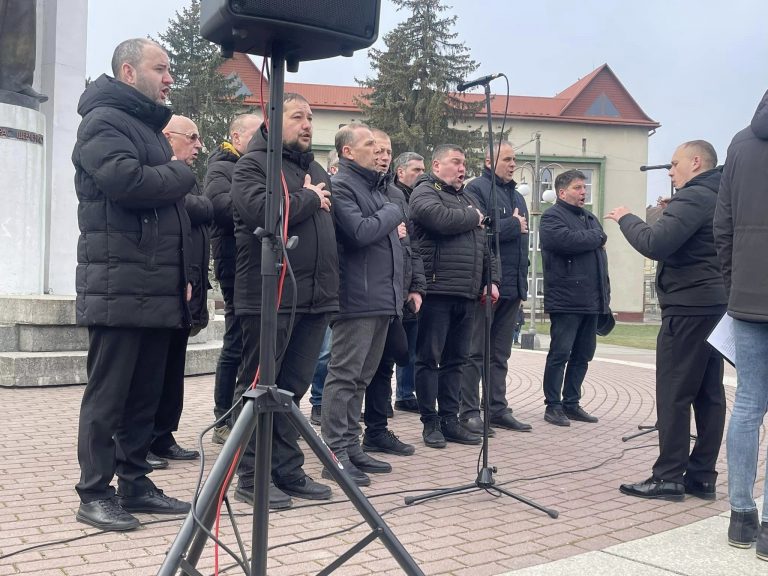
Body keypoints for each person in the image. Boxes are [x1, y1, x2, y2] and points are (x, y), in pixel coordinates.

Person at [73, 38, 193, 531]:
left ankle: (136, 484)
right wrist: (180, 172)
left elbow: (169, 213)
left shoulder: (146, 128)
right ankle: (94, 493)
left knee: (145, 395)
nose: (169, 78)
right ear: (128, 71)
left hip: (155, 285)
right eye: (160, 68)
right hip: (118, 285)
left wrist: (184, 279)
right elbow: (127, 183)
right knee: (109, 398)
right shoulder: (102, 121)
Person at [230, 93, 338, 510]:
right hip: (269, 297)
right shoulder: (253, 164)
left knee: (292, 390)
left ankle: (287, 468)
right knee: (259, 389)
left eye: (310, 116)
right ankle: (251, 477)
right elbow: (262, 212)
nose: (307, 124)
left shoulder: (315, 168)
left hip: (314, 298)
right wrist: (308, 198)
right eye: (298, 116)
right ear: (272, 120)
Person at [606, 140, 727, 501]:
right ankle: (702, 476)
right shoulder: (721, 195)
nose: (670, 172)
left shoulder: (694, 196)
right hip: (715, 305)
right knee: (709, 393)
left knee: (674, 392)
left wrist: (626, 217)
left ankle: (669, 477)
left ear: (696, 162)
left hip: (687, 306)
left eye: (674, 164)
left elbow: (655, 244)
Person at [320, 123, 405, 486]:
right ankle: (333, 453)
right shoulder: (342, 185)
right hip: (356, 297)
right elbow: (359, 232)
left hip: (381, 297)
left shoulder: (375, 189)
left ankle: (351, 446)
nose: (378, 150)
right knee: (344, 376)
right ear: (348, 152)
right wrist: (393, 212)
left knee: (361, 378)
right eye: (369, 144)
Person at [409, 144, 499, 448]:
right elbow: (437, 219)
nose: (462, 168)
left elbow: (485, 245)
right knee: (428, 359)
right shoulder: (424, 191)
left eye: (464, 163)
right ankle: (430, 422)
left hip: (467, 292)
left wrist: (491, 279)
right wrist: (473, 217)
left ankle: (450, 420)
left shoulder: (468, 198)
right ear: (436, 165)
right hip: (437, 290)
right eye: (455, 162)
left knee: (456, 360)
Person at [714, 91, 768, 557]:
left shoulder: (740, 142)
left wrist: (736, 284)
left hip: (748, 294)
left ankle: (741, 514)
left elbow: (723, 223)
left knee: (748, 403)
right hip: (747, 292)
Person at [146, 115, 214, 466]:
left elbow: (200, 210)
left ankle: (163, 436)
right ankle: (141, 440)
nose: (199, 145)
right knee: (152, 371)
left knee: (172, 369)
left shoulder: (185, 177)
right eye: (192, 137)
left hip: (186, 288)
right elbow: (199, 208)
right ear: (168, 137)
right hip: (162, 289)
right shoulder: (160, 174)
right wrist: (203, 207)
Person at [360, 129, 425, 458]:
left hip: (395, 292)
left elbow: (410, 244)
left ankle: (377, 431)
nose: (383, 156)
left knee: (386, 363)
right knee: (356, 370)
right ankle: (342, 440)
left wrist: (416, 286)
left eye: (388, 151)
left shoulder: (396, 194)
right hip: (363, 293)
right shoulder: (353, 188)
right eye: (377, 150)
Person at [460, 141, 532, 434]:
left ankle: (497, 408)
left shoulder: (517, 195)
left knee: (500, 354)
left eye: (515, 159)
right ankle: (468, 411)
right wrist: (513, 225)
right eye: (507, 159)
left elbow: (522, 241)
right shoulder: (476, 189)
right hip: (486, 285)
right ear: (489, 161)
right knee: (475, 352)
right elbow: (478, 229)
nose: (513, 164)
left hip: (512, 286)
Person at [204, 113, 263, 444]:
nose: (261, 141)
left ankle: (247, 414)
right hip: (235, 263)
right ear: (236, 138)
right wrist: (260, 203)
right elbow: (222, 208)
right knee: (236, 341)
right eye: (255, 135)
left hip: (255, 263)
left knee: (253, 343)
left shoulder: (257, 166)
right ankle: (223, 419)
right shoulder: (222, 167)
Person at [539, 169, 609, 427]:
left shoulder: (590, 218)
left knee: (583, 354)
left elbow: (598, 257)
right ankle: (553, 405)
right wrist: (597, 237)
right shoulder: (552, 216)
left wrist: (605, 296)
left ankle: (571, 403)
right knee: (560, 353)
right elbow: (565, 241)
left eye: (584, 188)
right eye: (578, 188)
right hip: (566, 299)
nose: (583, 192)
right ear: (562, 192)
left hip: (591, 300)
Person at [308, 151, 341, 427]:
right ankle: (318, 402)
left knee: (335, 352)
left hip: (338, 281)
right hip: (319, 281)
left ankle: (330, 405)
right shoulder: (326, 190)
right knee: (324, 352)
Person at [392, 151, 426, 413]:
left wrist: (416, 285)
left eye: (423, 170)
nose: (421, 174)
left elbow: (415, 246)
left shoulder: (421, 197)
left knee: (411, 344)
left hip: (414, 278)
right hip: (393, 283)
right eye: (416, 170)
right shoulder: (392, 196)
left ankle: (405, 393)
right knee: (389, 346)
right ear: (400, 172)